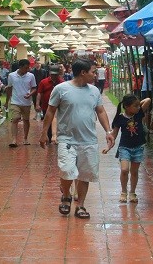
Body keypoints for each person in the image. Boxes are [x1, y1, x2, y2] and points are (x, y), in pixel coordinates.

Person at [39, 59, 115, 219]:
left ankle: (80, 205)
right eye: (93, 72)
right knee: (67, 170)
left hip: (89, 140)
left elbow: (100, 111)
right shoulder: (61, 89)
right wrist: (44, 133)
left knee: (84, 175)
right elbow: (50, 112)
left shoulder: (94, 91)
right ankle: (66, 195)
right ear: (83, 72)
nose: (95, 75)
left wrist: (108, 131)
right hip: (66, 140)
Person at [103, 94, 151, 203]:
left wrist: (137, 104)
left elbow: (148, 99)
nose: (138, 107)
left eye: (139, 106)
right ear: (127, 106)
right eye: (135, 106)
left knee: (134, 171)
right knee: (124, 170)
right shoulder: (119, 118)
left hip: (138, 147)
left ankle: (132, 192)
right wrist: (108, 147)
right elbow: (113, 135)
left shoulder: (138, 114)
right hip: (124, 147)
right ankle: (123, 192)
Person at [5, 59, 37, 147]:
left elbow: (34, 88)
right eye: (26, 68)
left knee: (26, 120)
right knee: (15, 118)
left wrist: (30, 94)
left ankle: (25, 138)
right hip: (15, 101)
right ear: (20, 67)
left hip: (26, 102)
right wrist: (7, 101)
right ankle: (14, 139)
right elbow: (9, 88)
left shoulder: (31, 76)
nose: (27, 69)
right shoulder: (11, 76)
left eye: (28, 68)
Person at [35, 65, 63, 143]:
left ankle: (56, 137)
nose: (54, 76)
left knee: (57, 120)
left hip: (58, 106)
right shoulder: (43, 82)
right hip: (46, 106)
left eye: (55, 75)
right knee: (47, 121)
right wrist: (37, 104)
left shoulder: (62, 83)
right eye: (52, 74)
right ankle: (48, 137)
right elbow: (39, 93)